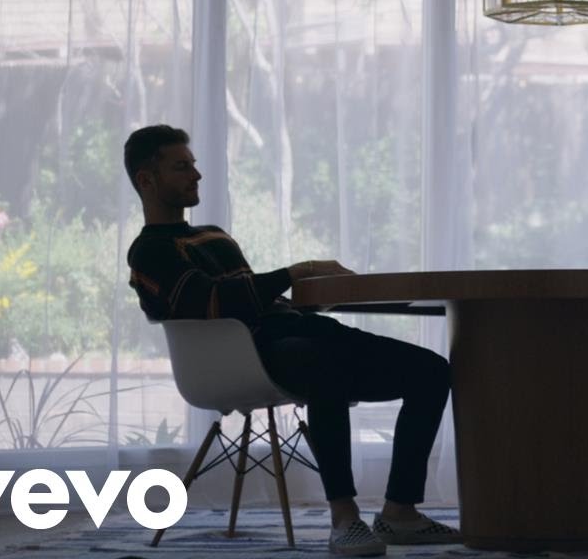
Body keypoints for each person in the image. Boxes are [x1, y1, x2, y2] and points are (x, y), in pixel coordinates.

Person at [124, 125, 460, 557]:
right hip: (250, 356)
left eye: (193, 164)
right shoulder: (149, 252)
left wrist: (310, 296)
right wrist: (296, 271)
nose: (197, 174)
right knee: (324, 366)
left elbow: (250, 298)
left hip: (297, 334)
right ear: (147, 180)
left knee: (430, 370)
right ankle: (344, 518)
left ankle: (400, 513)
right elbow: (213, 301)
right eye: (181, 167)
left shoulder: (214, 236)